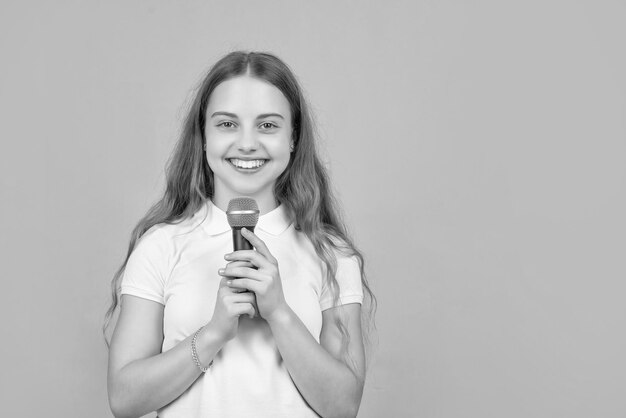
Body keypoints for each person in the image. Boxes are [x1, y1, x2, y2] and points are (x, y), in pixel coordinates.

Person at [103, 51, 375, 418]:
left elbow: (343, 406)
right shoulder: (161, 246)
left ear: (293, 139)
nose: (247, 144)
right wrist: (214, 332)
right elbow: (124, 399)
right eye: (227, 124)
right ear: (203, 137)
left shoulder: (331, 254)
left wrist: (279, 312)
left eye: (268, 125)